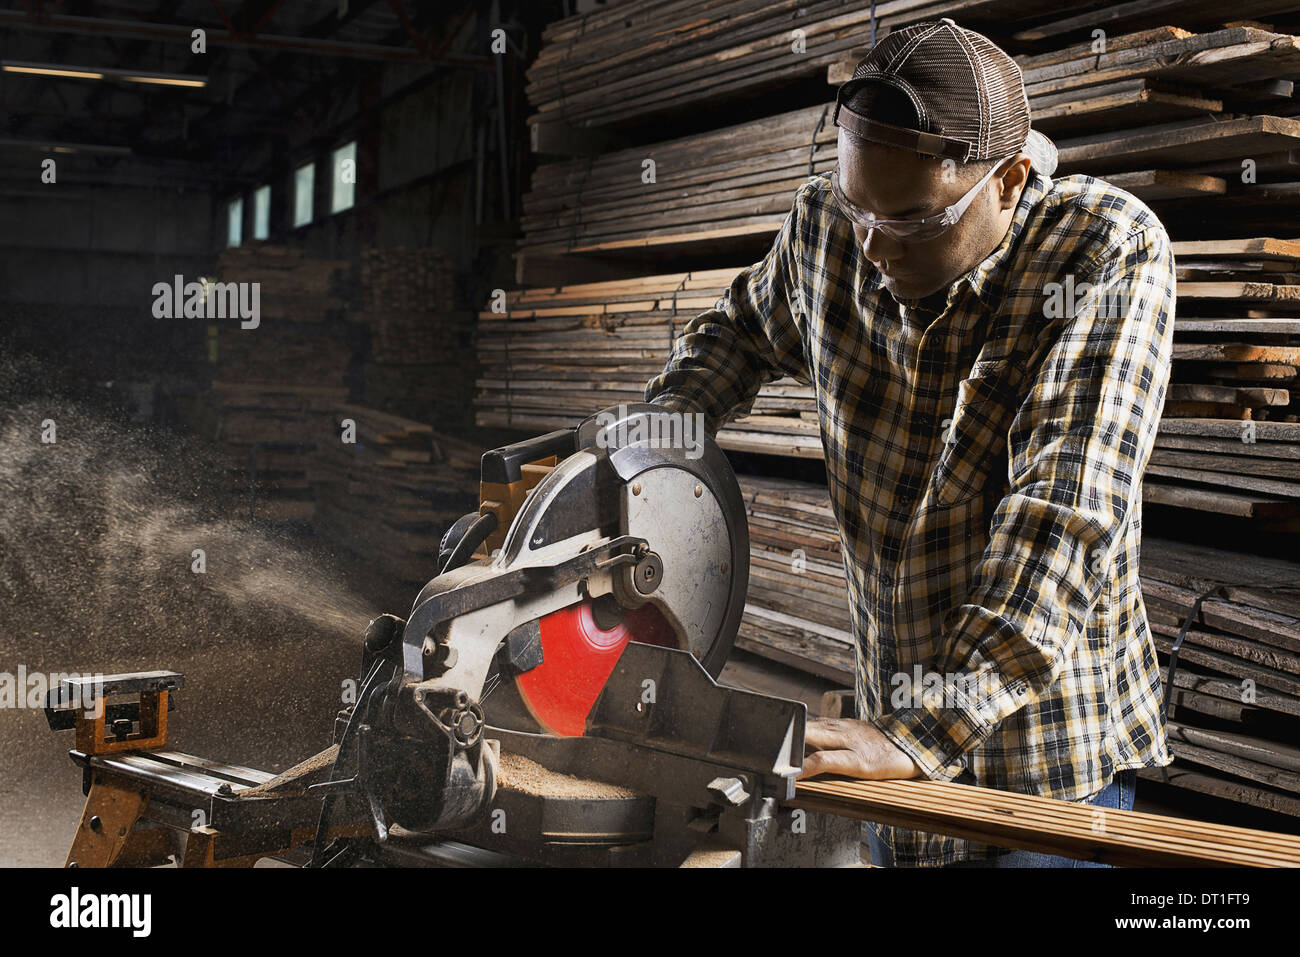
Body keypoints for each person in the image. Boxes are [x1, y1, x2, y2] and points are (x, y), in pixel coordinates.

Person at [643, 17, 1176, 867]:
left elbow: (1064, 513)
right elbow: (735, 336)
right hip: (893, 752)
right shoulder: (831, 228)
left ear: (1008, 181)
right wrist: (640, 458)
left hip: (1041, 769)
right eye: (860, 205)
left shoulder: (1102, 254)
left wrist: (924, 730)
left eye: (913, 220)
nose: (874, 245)